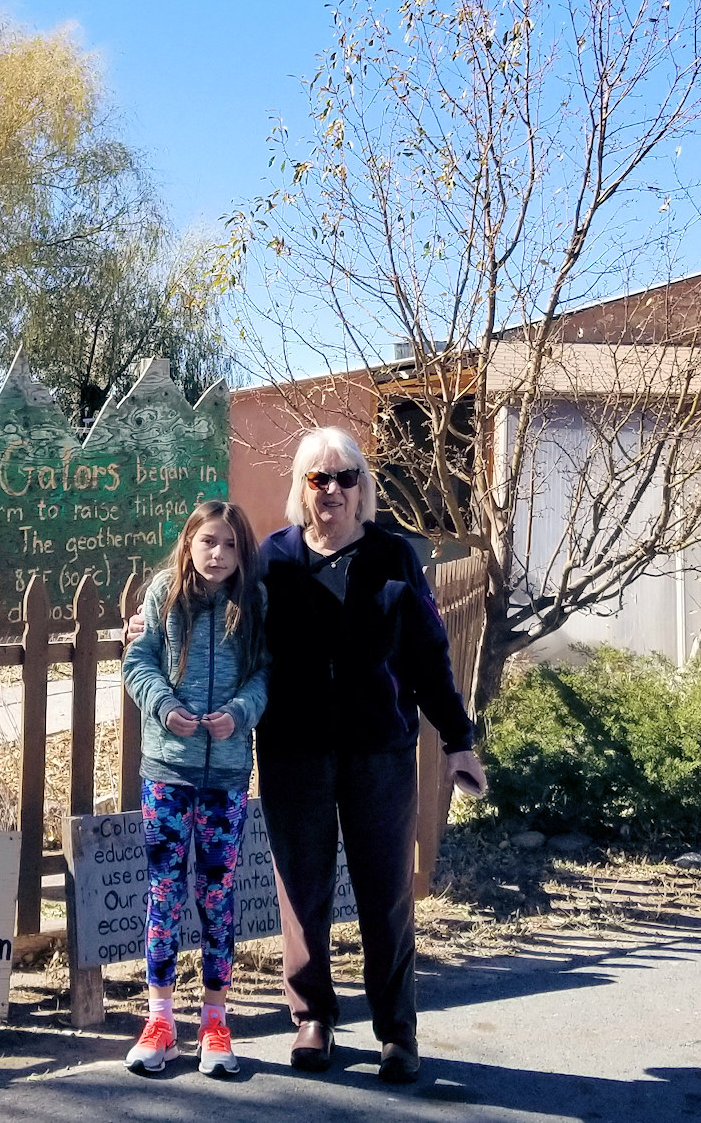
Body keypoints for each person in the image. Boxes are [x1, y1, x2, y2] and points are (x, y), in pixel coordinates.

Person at [256, 427, 484, 1084]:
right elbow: (218, 618)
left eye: (345, 476)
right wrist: (155, 625)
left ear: (364, 486)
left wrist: (459, 739)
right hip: (293, 749)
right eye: (317, 478)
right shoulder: (273, 559)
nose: (332, 490)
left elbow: (428, 651)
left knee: (386, 890)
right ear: (302, 487)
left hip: (379, 748)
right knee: (303, 889)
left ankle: (396, 1028)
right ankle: (313, 1016)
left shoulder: (394, 556)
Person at [119, 500, 268, 1078]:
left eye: (230, 545)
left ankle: (215, 1021)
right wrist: (162, 705)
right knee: (164, 894)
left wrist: (241, 712)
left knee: (215, 895)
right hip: (167, 774)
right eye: (208, 541)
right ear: (189, 543)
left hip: (227, 776)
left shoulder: (252, 602)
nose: (218, 554)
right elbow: (138, 660)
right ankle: (159, 1020)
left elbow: (264, 673)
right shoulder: (163, 596)